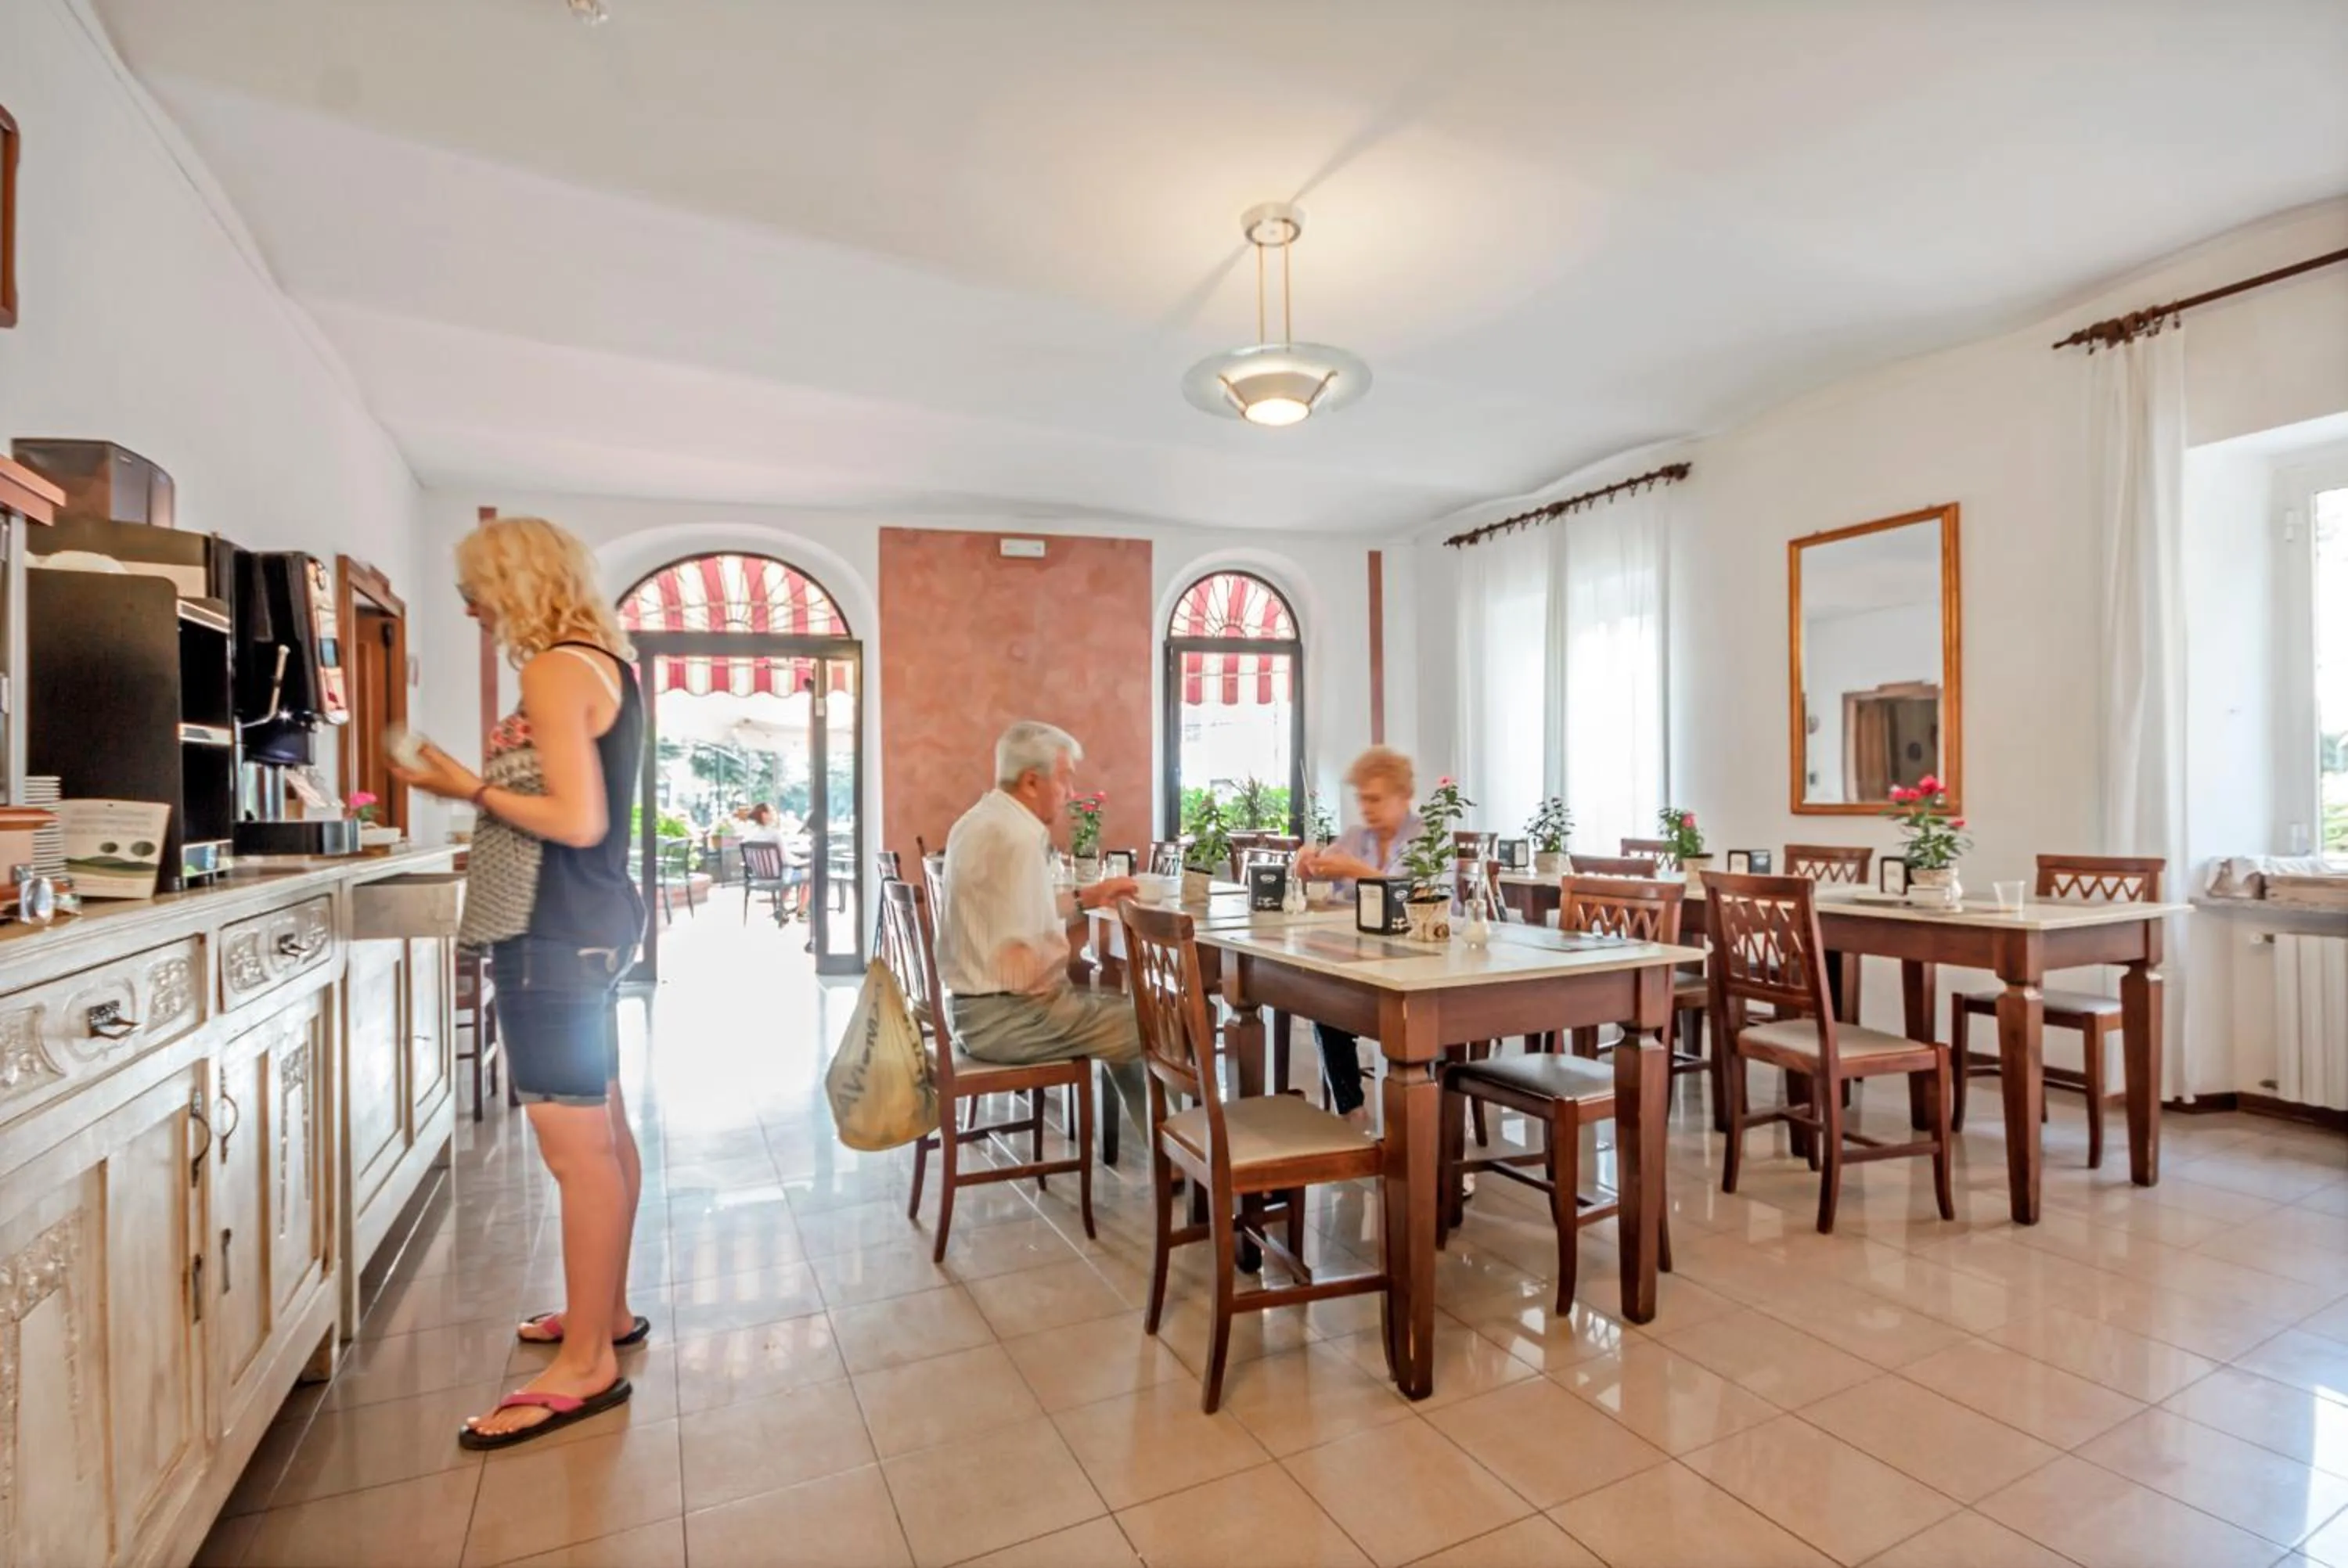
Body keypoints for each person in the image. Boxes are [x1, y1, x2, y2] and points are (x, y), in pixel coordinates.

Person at [391, 516, 649, 1450]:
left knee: (578, 1153)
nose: (470, 607)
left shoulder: (552, 670)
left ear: (517, 580)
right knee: (606, 1133)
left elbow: (577, 819)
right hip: (593, 925)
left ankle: (585, 1363)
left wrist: (468, 787)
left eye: (477, 587)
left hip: (554, 932)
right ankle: (604, 1317)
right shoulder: (601, 664)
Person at [938, 721, 1148, 1132]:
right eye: (1065, 778)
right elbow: (1034, 964)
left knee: (1122, 1020)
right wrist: (1095, 930)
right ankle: (1206, 1158)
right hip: (1008, 1020)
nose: (1071, 793)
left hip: (967, 1011)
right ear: (1032, 781)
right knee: (1160, 1025)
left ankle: (1172, 1155)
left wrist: (1087, 900)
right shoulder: (1020, 837)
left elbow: (1014, 915)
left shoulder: (978, 820)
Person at [1293, 746, 1422, 1127]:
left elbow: (1415, 898)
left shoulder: (1428, 839)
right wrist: (1305, 866)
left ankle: (1434, 1127)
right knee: (1325, 1007)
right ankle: (1352, 1110)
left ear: (1404, 797)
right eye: (1362, 799)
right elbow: (1319, 872)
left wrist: (1356, 870)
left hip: (1423, 968)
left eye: (1375, 799)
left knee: (1420, 1029)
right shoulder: (1355, 837)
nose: (1366, 808)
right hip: (1364, 964)